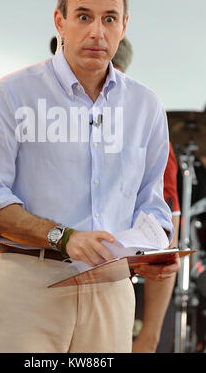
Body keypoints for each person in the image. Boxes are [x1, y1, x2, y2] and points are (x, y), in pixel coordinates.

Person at [0, 0, 180, 353]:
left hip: (111, 291)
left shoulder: (146, 107)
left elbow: (154, 207)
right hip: (28, 285)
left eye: (109, 19)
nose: (97, 31)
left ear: (124, 26)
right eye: (84, 17)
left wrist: (153, 249)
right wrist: (64, 239)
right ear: (59, 22)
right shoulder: (12, 95)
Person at [111, 39, 181, 352]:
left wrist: (150, 336)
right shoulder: (45, 115)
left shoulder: (146, 127)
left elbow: (166, 241)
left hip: (105, 290)